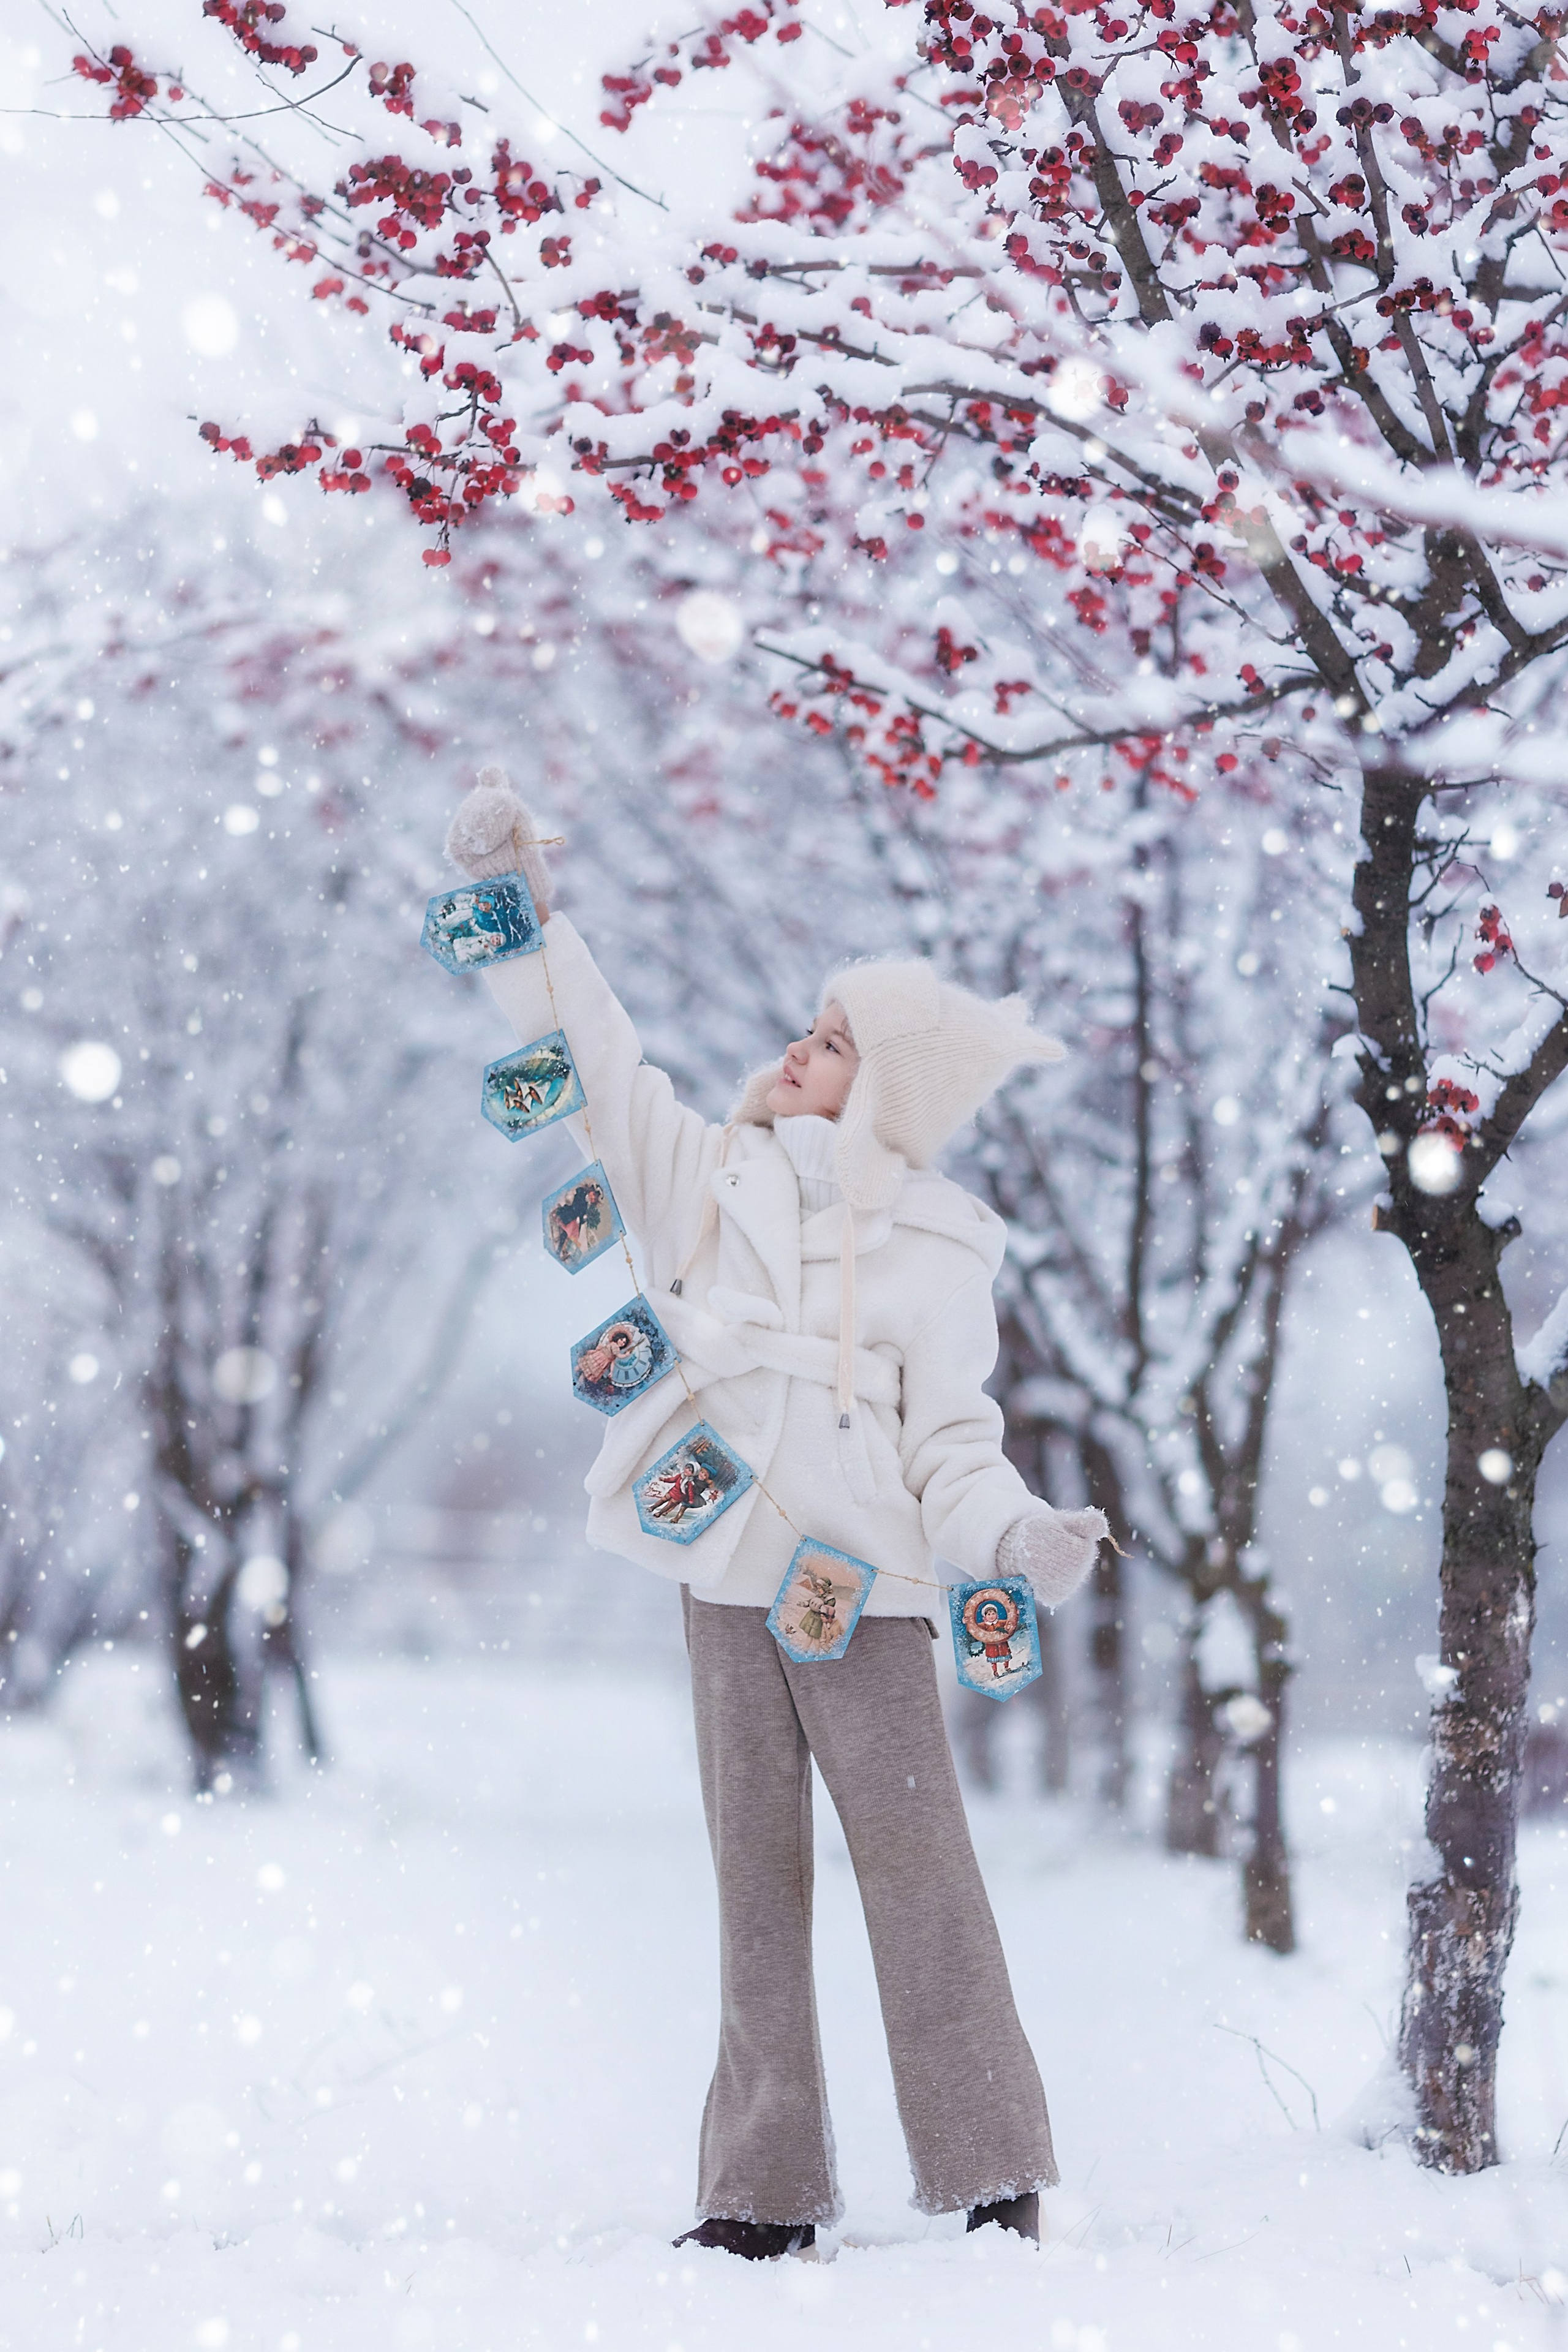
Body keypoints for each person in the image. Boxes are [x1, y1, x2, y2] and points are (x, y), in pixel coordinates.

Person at [445, 767, 1107, 2261]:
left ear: (882, 1093)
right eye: (809, 1028)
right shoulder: (706, 1176)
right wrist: (530, 914)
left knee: (919, 1875)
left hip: (864, 1587)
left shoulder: (941, 1254)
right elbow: (601, 1064)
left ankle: (995, 2172)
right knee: (753, 1882)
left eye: (833, 1045)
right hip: (724, 1566)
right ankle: (758, 2194)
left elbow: (952, 1437)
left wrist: (1014, 1536)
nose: (799, 1049)